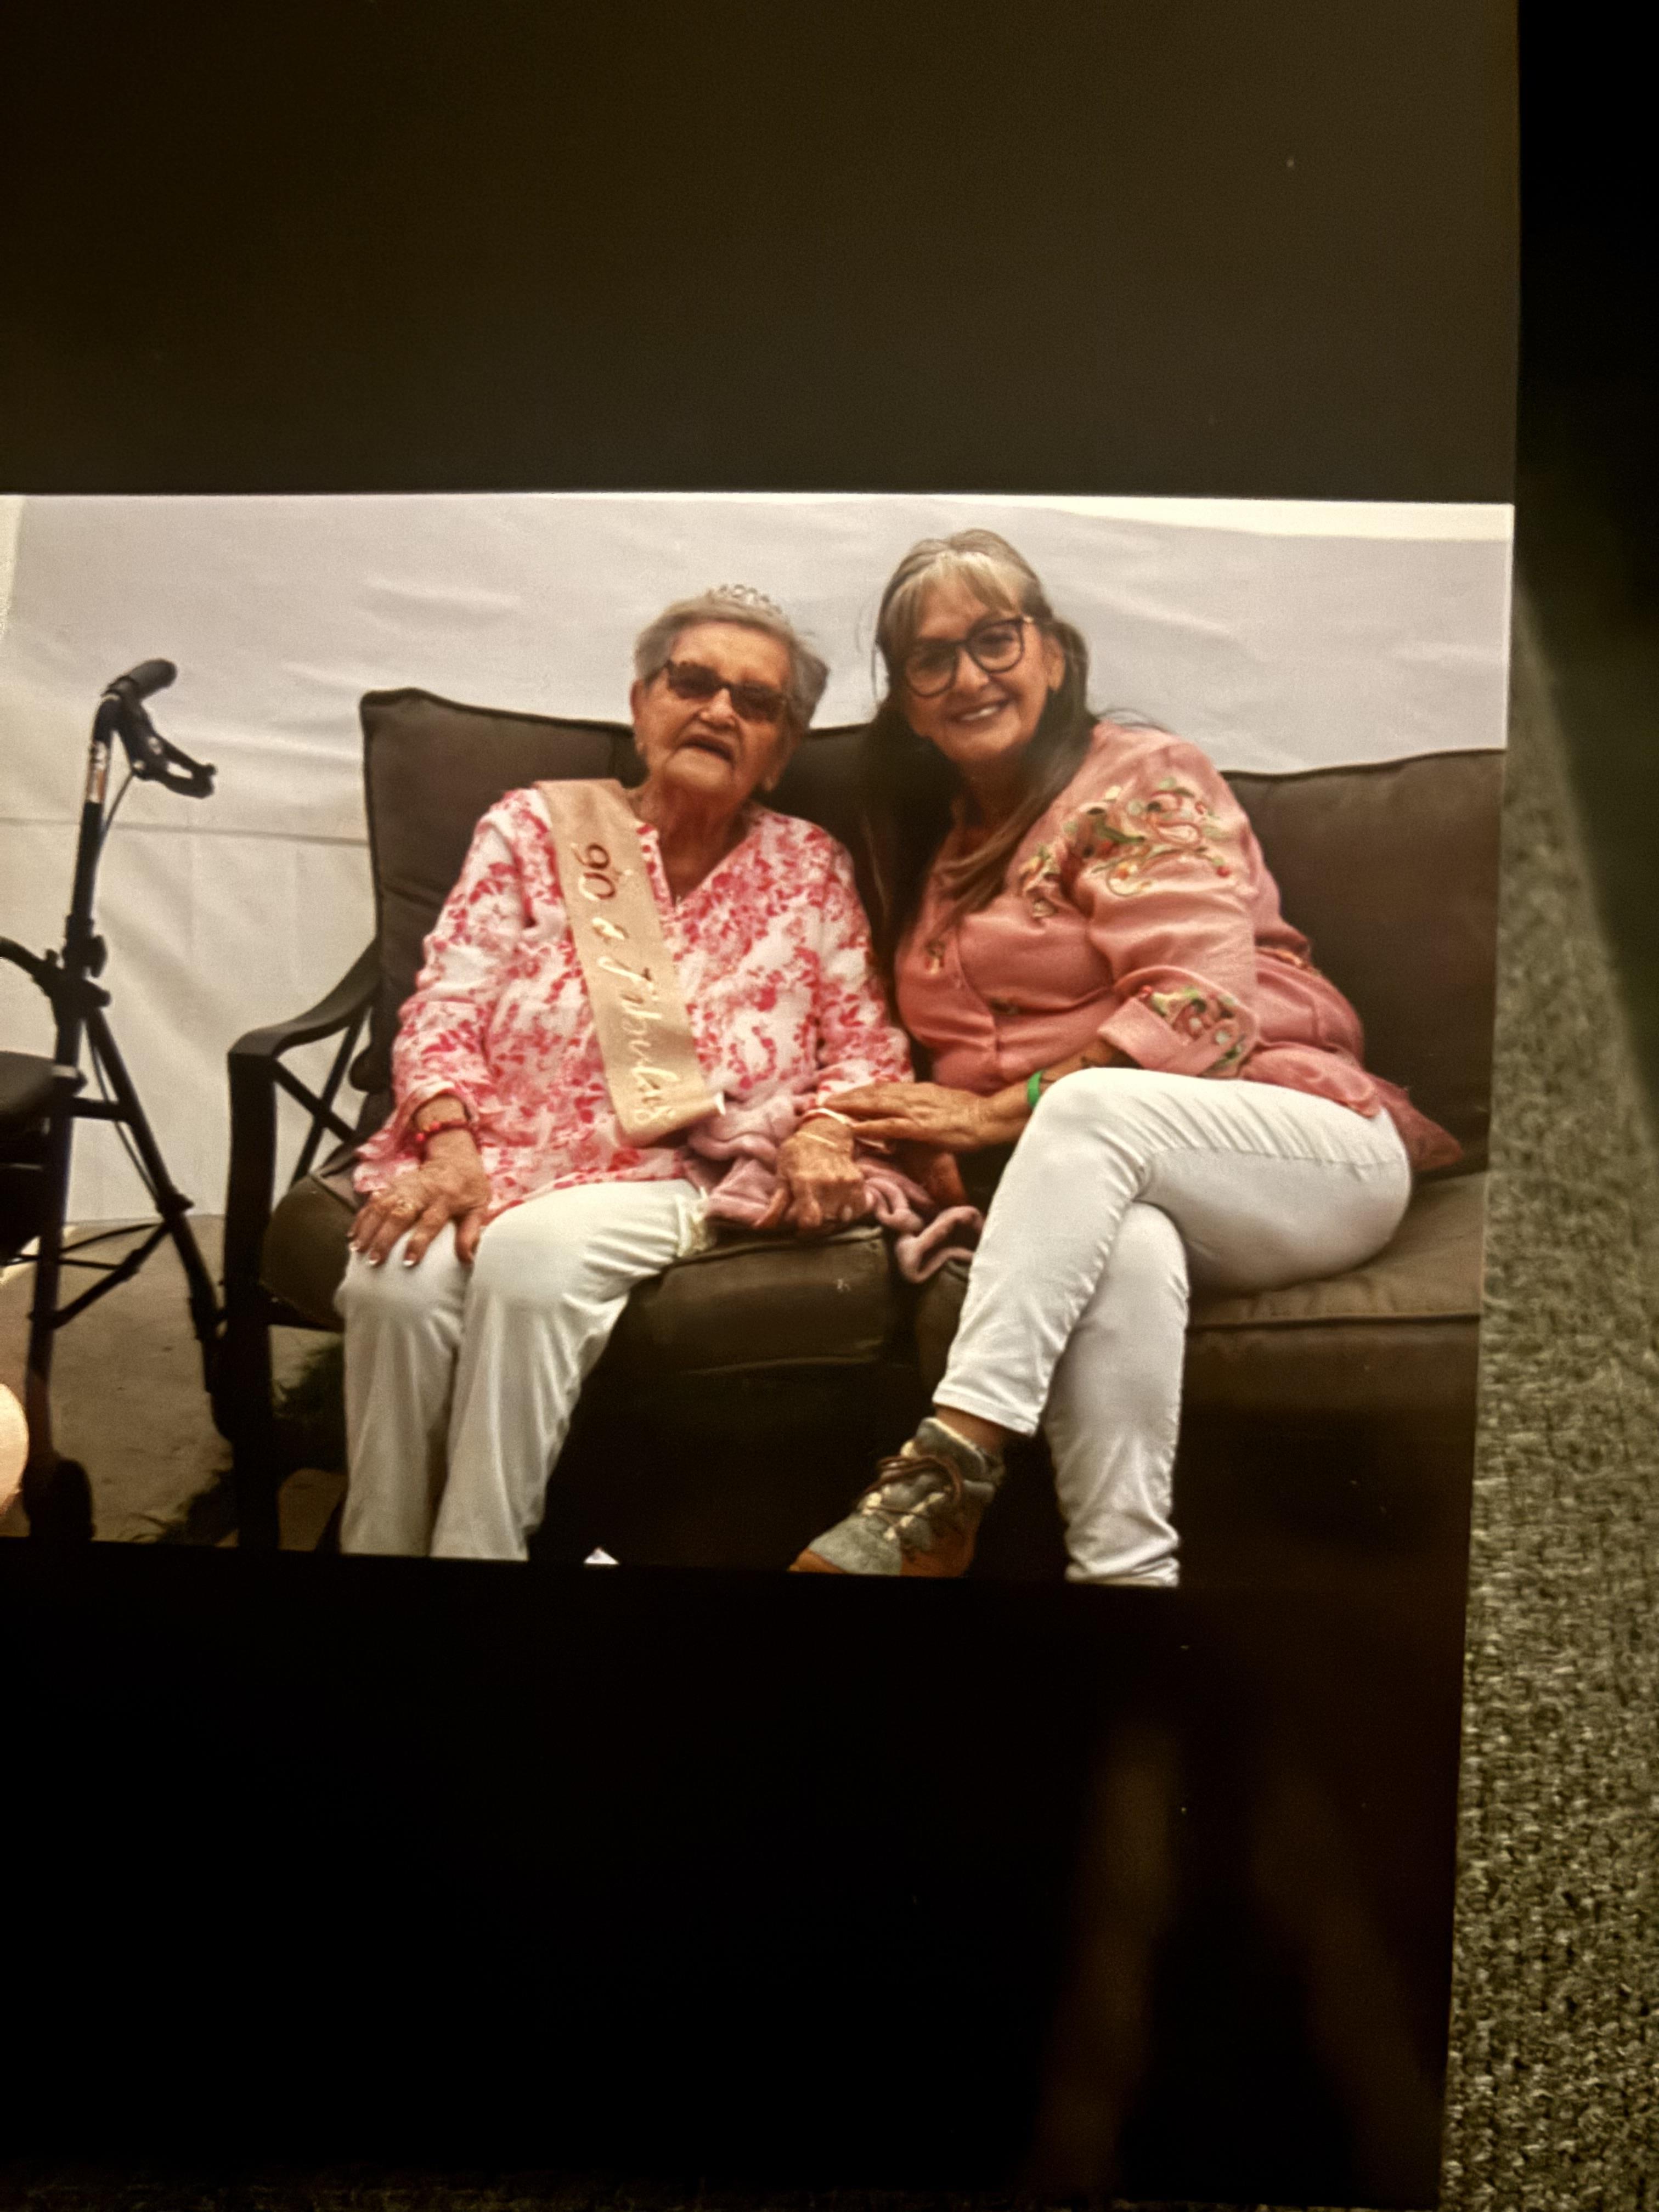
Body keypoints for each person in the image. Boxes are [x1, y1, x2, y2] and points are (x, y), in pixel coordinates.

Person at [792, 531, 1458, 1585]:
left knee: (1089, 1109)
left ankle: (943, 1473)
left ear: (1054, 654)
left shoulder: (1143, 779)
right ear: (910, 704)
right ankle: (1126, 1586)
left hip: (1304, 1149)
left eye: (996, 639)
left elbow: (1198, 1004)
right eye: (932, 659)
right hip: (1121, 1186)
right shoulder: (933, 846)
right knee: (1125, 1248)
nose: (969, 675)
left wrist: (986, 1115)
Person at [340, 586, 911, 1560]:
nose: (720, 711)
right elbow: (445, 1001)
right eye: (693, 682)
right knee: (390, 1283)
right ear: (643, 702)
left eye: (757, 703)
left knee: (529, 1263)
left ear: (782, 747)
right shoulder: (532, 827)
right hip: (500, 1150)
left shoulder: (809, 865)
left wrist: (824, 1130)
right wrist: (447, 1142)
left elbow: (866, 1048)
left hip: (679, 1167)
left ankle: (477, 1556)